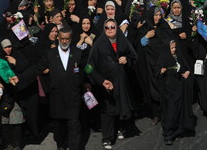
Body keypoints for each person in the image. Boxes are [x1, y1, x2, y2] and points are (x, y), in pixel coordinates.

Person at [15, 27, 86, 150]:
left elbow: (87, 69)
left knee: (74, 124)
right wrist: (19, 78)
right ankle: (61, 144)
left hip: (73, 96)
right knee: (59, 125)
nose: (64, 41)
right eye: (62, 39)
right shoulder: (50, 54)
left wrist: (99, 81)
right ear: (58, 38)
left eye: (67, 39)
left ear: (70, 39)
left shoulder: (78, 53)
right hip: (57, 96)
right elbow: (36, 69)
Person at [85, 19, 138, 150]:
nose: (110, 29)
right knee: (107, 111)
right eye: (107, 27)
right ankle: (107, 138)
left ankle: (121, 128)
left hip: (121, 82)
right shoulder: (98, 44)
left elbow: (134, 57)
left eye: (113, 27)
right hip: (106, 84)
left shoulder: (122, 41)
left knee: (121, 105)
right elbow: (88, 67)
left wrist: (127, 59)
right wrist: (101, 81)